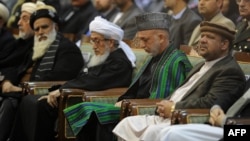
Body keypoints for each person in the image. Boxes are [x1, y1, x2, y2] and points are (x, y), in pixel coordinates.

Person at [64, 12, 193, 141]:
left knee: (91, 111)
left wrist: (128, 104)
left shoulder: (175, 62)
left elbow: (163, 101)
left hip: (143, 111)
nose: (141, 45)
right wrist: (125, 101)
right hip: (131, 106)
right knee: (84, 109)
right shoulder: (153, 56)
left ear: (161, 38)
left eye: (145, 40)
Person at [112, 21, 247, 141]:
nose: (203, 40)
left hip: (185, 117)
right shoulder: (200, 65)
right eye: (202, 36)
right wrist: (164, 105)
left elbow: (212, 102)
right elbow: (182, 92)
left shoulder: (230, 71)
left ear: (224, 45)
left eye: (210, 37)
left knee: (157, 132)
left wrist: (173, 108)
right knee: (127, 124)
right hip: (168, 113)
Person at [9, 16, 136, 141]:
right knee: (29, 100)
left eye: (97, 40)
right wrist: (60, 89)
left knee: (39, 104)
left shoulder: (119, 63)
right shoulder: (104, 57)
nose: (94, 46)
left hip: (84, 101)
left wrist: (62, 90)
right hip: (77, 95)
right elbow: (84, 78)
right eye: (92, 41)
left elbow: (95, 82)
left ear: (111, 42)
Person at [0, 4, 84, 141]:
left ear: (55, 27)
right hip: (23, 90)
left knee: (15, 102)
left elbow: (58, 78)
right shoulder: (37, 48)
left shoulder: (68, 49)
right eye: (37, 29)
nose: (40, 32)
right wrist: (8, 81)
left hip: (50, 96)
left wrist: (20, 89)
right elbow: (16, 68)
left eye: (44, 27)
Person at [153, 78, 250, 141]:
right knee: (166, 132)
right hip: (222, 126)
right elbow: (229, 101)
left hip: (236, 132)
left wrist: (226, 121)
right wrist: (216, 109)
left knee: (173, 134)